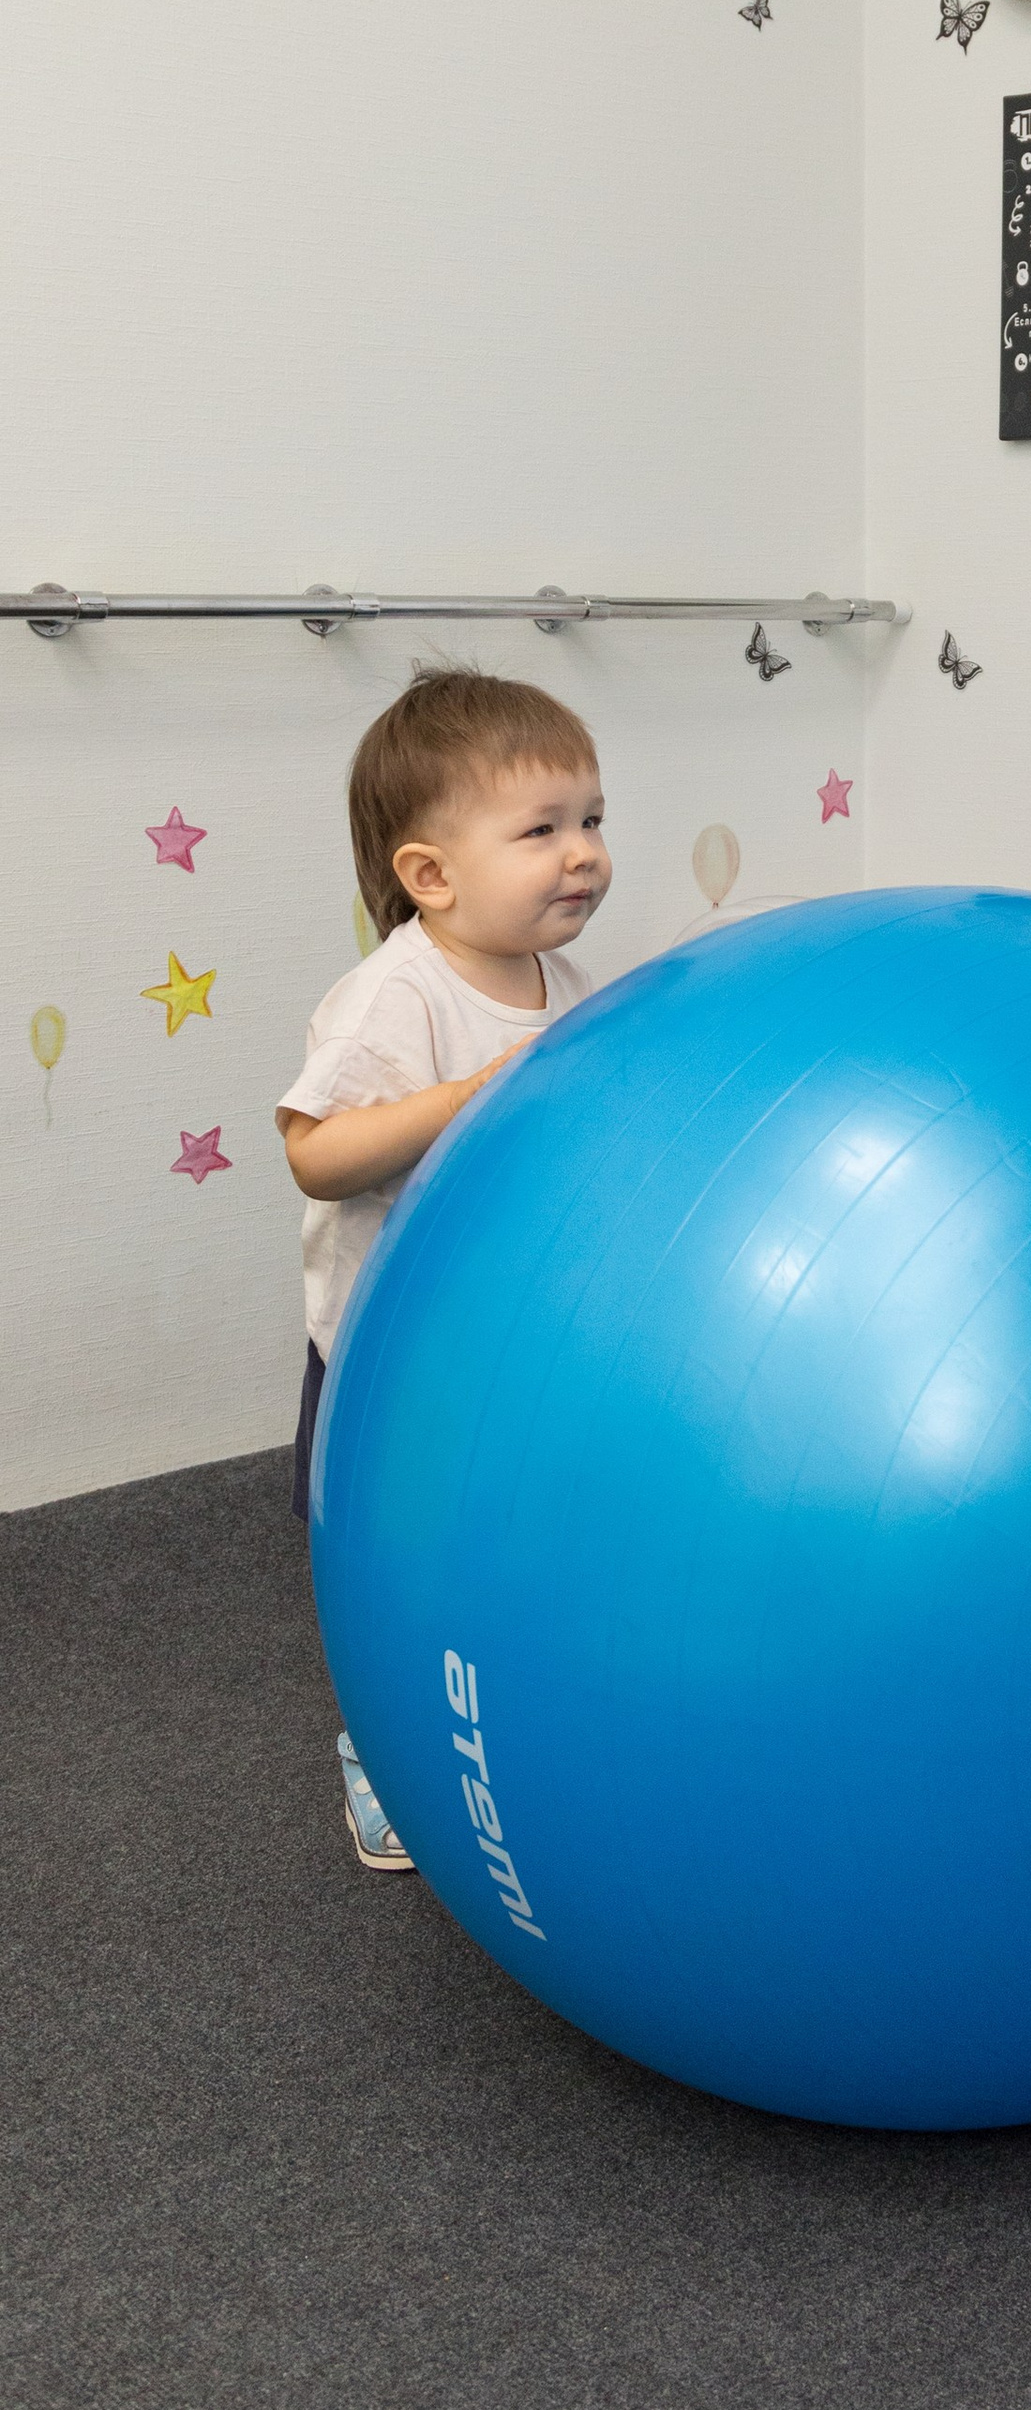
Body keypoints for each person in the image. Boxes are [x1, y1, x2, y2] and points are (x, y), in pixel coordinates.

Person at [275, 671, 611, 1870]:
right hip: (387, 1350)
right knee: (383, 1550)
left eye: (591, 820)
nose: (580, 855)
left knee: (498, 1538)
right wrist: (461, 1102)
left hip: (505, 1334)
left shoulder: (561, 982)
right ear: (431, 874)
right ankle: (378, 1748)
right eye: (541, 830)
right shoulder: (392, 1000)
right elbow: (317, 1152)